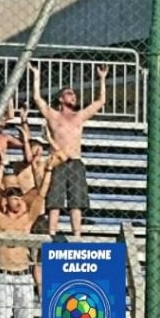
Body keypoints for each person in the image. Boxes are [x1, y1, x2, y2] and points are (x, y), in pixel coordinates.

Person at [28, 64, 109, 239]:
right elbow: (37, 98)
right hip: (58, 160)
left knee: (76, 202)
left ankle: (76, 235)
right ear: (60, 98)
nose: (74, 96)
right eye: (69, 93)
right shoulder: (53, 116)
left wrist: (102, 79)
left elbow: (100, 102)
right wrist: (36, 76)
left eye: (74, 94)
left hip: (75, 159)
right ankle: (51, 234)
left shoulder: (79, 116)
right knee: (54, 201)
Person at [0, 153, 56, 318]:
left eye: (19, 197)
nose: (18, 200)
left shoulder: (26, 221)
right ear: (6, 200)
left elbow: (41, 194)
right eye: (13, 197)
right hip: (4, 272)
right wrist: (0, 166)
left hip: (23, 273)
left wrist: (48, 169)